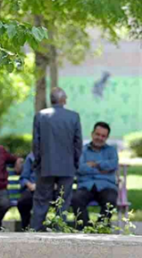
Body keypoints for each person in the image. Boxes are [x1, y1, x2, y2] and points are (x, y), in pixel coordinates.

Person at [31, 87, 82, 231]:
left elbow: (36, 143)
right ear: (63, 100)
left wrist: (37, 162)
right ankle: (59, 231)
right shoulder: (74, 117)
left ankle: (35, 230)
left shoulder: (40, 116)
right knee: (63, 202)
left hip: (45, 166)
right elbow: (77, 143)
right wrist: (75, 162)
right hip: (67, 167)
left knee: (41, 200)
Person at [72, 122, 118, 228]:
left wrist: (94, 164)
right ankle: (86, 229)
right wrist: (102, 169)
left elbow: (113, 165)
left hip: (106, 186)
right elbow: (79, 168)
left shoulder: (111, 151)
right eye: (97, 134)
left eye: (103, 136)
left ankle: (100, 228)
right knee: (76, 199)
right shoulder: (82, 150)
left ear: (107, 137)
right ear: (92, 134)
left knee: (110, 201)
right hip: (85, 185)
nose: (100, 138)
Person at [17, 152, 37, 230]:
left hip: (48, 190)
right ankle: (26, 228)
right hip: (32, 189)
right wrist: (29, 185)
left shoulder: (55, 156)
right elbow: (24, 178)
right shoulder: (31, 157)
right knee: (23, 202)